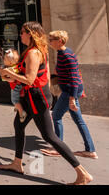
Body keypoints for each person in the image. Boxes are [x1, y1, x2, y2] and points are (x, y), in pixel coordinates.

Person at [0, 22, 93, 185]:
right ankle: (17, 163)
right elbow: (45, 74)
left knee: (50, 136)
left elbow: (29, 79)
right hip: (33, 97)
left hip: (36, 99)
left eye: (22, 32)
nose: (20, 34)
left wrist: (8, 73)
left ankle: (82, 173)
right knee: (18, 125)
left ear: (31, 34)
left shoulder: (33, 53)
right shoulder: (36, 50)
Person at [40, 31, 98, 159]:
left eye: (51, 39)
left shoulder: (66, 55)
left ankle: (58, 148)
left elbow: (74, 78)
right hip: (70, 90)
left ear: (60, 41)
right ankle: (90, 150)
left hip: (69, 92)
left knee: (56, 116)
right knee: (78, 120)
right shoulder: (62, 53)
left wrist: (72, 98)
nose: (49, 42)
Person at [2, 49, 26, 122]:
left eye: (5, 59)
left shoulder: (11, 70)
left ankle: (22, 112)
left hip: (15, 86)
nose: (3, 60)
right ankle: (18, 106)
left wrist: (5, 78)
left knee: (14, 100)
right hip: (18, 85)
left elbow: (13, 80)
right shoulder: (15, 67)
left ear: (10, 62)